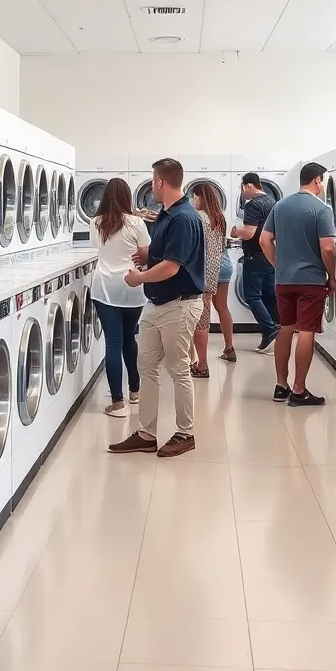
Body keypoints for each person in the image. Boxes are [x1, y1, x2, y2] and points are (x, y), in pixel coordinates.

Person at [109, 158, 205, 458]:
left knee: (178, 370)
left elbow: (172, 267)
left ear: (161, 182)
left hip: (180, 305)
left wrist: (139, 278)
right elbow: (164, 252)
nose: (151, 185)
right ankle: (146, 434)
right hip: (157, 304)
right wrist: (146, 254)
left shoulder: (184, 218)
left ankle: (185, 434)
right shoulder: (165, 215)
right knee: (146, 367)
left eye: (153, 180)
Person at [259, 162, 336, 407]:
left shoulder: (280, 206)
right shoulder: (321, 209)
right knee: (306, 332)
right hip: (311, 281)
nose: (322, 186)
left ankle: (281, 385)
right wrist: (331, 275)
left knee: (286, 328)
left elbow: (264, 240)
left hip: (284, 280)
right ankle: (299, 390)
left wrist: (278, 265)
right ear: (316, 180)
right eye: (322, 181)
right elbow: (328, 248)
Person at [89, 177, 151, 418]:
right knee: (129, 340)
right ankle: (135, 390)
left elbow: (98, 249)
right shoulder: (137, 223)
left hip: (105, 287)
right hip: (132, 285)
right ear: (127, 197)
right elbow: (145, 254)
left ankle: (117, 402)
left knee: (113, 343)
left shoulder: (96, 222)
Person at [231, 173, 278, 352]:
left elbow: (250, 233)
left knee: (252, 295)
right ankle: (274, 330)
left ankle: (270, 329)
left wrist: (236, 231)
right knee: (269, 296)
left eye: (243, 188)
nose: (243, 192)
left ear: (249, 186)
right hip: (270, 254)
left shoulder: (253, 205)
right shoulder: (272, 201)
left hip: (255, 256)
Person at [188, 182, 226, 379]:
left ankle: (201, 365)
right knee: (203, 321)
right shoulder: (219, 219)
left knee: (195, 323)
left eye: (193, 197)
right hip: (211, 276)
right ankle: (198, 362)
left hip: (196, 276)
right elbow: (221, 248)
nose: (192, 201)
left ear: (199, 197)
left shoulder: (197, 218)